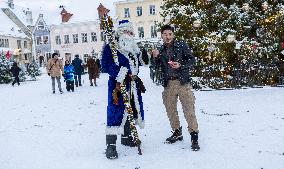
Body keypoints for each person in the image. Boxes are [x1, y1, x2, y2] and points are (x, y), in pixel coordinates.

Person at [101, 20, 148, 159]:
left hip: (133, 86)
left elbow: (141, 62)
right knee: (115, 113)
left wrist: (145, 56)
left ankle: (126, 137)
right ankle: (111, 146)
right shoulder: (112, 47)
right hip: (117, 86)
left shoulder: (134, 48)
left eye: (130, 32)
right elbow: (105, 65)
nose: (128, 34)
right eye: (125, 31)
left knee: (132, 110)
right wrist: (120, 73)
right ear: (120, 33)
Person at [151, 25, 200, 151]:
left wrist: (181, 64)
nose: (167, 37)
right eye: (165, 34)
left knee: (189, 110)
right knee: (171, 110)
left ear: (173, 35)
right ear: (161, 35)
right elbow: (155, 67)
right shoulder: (160, 49)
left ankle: (194, 137)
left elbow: (192, 60)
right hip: (169, 84)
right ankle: (177, 132)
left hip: (183, 83)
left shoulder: (181, 45)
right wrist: (155, 57)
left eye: (170, 34)